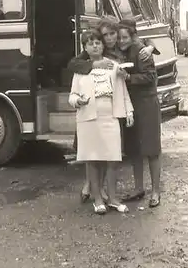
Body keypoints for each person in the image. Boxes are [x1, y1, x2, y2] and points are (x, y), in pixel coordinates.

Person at [68, 16, 160, 202]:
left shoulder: (125, 46)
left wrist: (150, 46)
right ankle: (93, 187)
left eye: (113, 34)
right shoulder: (97, 50)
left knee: (144, 147)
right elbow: (73, 64)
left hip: (134, 101)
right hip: (105, 106)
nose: (110, 39)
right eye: (105, 35)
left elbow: (138, 41)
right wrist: (94, 64)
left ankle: (150, 190)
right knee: (99, 147)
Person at [68, 28, 134, 214]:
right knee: (93, 160)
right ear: (85, 48)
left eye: (98, 42)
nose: (95, 46)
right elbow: (72, 95)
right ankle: (98, 200)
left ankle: (112, 198)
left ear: (103, 45)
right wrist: (77, 101)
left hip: (110, 118)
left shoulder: (113, 66)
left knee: (113, 159)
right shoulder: (81, 69)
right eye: (91, 43)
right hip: (88, 119)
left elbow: (123, 91)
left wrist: (129, 112)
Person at [117, 19, 162, 208]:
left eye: (124, 37)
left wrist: (129, 78)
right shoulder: (124, 51)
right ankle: (138, 188)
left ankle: (156, 192)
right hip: (131, 104)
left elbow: (151, 76)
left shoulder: (141, 51)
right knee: (134, 148)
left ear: (133, 36)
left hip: (146, 103)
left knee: (151, 149)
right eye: (119, 37)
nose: (120, 40)